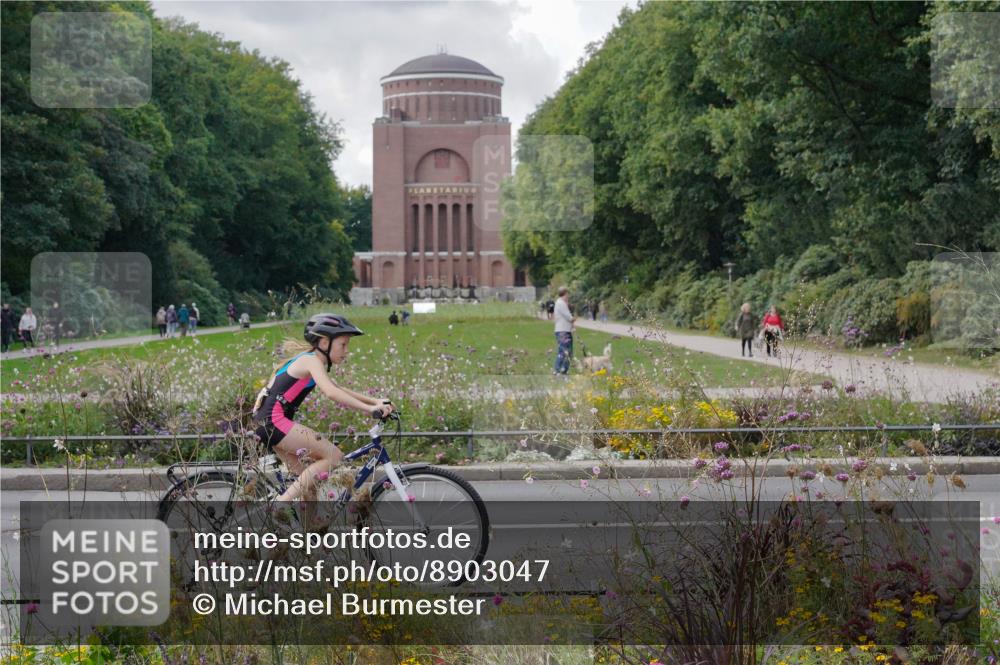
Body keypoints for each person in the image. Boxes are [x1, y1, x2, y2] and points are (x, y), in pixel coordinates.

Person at [251, 313, 394, 528]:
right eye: (343, 345)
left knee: (308, 486)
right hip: (274, 422)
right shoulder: (310, 360)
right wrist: (370, 409)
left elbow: (337, 388)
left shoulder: (310, 361)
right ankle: (280, 504)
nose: (347, 351)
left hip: (266, 424)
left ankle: (308, 540)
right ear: (325, 342)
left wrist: (375, 400)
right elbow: (331, 393)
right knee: (334, 456)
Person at [553, 287, 576, 376]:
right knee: (564, 351)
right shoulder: (560, 303)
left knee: (568, 352)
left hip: (565, 329)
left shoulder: (562, 303)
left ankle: (564, 370)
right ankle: (558, 370)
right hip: (562, 331)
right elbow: (568, 316)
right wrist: (573, 319)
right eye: (567, 294)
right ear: (565, 294)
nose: (568, 296)